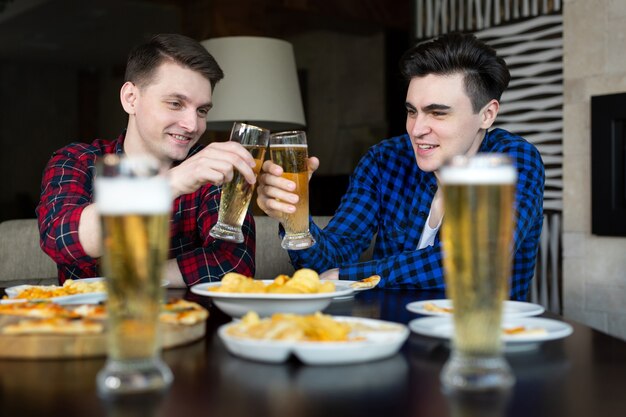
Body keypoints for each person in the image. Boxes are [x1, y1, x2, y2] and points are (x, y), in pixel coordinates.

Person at [256, 32, 544, 301]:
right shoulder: (385, 160)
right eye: (412, 111)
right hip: (389, 333)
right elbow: (329, 261)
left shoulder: (514, 160)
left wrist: (352, 277)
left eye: (437, 113)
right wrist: (294, 218)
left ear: (487, 115)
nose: (417, 129)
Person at [37, 34, 258, 287]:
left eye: (202, 111)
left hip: (193, 322)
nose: (192, 125)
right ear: (131, 98)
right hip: (91, 322)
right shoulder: (77, 160)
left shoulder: (212, 168)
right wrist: (170, 183)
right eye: (175, 103)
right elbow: (60, 237)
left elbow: (235, 266)